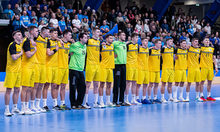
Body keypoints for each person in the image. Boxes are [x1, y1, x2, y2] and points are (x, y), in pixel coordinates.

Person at [4, 30, 23, 116]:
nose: (21, 36)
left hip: (18, 71)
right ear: (14, 37)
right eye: (18, 35)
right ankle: (7, 109)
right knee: (9, 90)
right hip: (11, 71)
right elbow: (14, 57)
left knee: (17, 89)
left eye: (21, 34)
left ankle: (15, 107)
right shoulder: (12, 45)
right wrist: (21, 53)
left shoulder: (20, 45)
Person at [20, 26, 38, 114]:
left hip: (32, 67)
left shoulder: (32, 41)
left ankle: (27, 107)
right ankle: (23, 108)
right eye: (36, 31)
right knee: (25, 88)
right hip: (26, 67)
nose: (37, 32)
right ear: (31, 32)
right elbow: (28, 55)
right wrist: (35, 51)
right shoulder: (26, 41)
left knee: (30, 88)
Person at [43, 29, 61, 111]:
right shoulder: (48, 42)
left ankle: (55, 104)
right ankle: (44, 104)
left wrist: (59, 40)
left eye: (57, 33)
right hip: (49, 66)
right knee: (46, 85)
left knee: (55, 86)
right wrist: (55, 50)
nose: (56, 34)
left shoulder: (57, 41)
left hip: (56, 66)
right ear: (50, 33)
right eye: (54, 33)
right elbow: (49, 53)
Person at [33, 27, 50, 112]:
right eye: (48, 31)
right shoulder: (37, 38)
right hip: (36, 64)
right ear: (43, 31)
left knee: (41, 86)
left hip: (44, 65)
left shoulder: (47, 40)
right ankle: (32, 105)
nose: (49, 33)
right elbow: (28, 35)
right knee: (35, 86)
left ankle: (37, 105)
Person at [69, 33, 88, 109]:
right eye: (85, 37)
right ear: (81, 38)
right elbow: (69, 53)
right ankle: (73, 104)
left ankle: (79, 103)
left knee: (83, 87)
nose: (87, 39)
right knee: (73, 87)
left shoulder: (85, 46)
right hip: (73, 69)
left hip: (81, 70)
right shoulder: (75, 45)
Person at [84, 28, 101, 108]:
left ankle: (95, 102)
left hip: (97, 65)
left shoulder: (99, 42)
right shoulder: (89, 41)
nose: (99, 33)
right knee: (88, 84)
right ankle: (85, 102)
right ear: (93, 33)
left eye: (99, 32)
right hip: (90, 64)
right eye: (97, 32)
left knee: (96, 84)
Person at [98, 34, 116, 107]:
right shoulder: (102, 46)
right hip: (103, 67)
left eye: (112, 38)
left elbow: (114, 55)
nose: (112, 40)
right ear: (107, 39)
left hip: (110, 68)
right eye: (111, 38)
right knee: (102, 84)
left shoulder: (112, 46)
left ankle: (108, 101)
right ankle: (101, 101)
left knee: (109, 85)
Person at [57, 30, 72, 110]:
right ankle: (55, 104)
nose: (71, 36)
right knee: (56, 86)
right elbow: (52, 38)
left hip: (66, 67)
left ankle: (62, 103)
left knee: (63, 86)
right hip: (59, 67)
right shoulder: (58, 42)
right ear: (65, 35)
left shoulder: (69, 44)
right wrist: (59, 39)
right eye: (69, 35)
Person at [199, 37, 218, 101]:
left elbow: (214, 58)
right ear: (203, 42)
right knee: (202, 82)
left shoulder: (212, 48)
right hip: (203, 67)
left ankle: (208, 95)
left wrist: (216, 66)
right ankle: (201, 95)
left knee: (210, 82)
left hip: (210, 68)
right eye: (206, 40)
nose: (207, 41)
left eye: (208, 40)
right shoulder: (200, 48)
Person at [125, 33, 140, 105]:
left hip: (135, 66)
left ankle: (133, 99)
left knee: (134, 83)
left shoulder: (137, 46)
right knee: (128, 83)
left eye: (138, 37)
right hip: (129, 66)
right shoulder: (128, 45)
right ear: (132, 38)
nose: (138, 39)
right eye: (136, 37)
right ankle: (126, 99)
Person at [112, 32, 127, 106]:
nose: (124, 36)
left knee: (123, 83)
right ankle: (114, 101)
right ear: (119, 36)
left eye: (125, 35)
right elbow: (109, 47)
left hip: (124, 65)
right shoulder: (115, 43)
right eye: (123, 35)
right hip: (117, 65)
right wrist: (112, 54)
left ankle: (121, 100)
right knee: (117, 83)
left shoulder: (124, 44)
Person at [136, 37, 150, 104]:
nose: (146, 42)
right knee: (138, 84)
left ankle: (144, 98)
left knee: (145, 84)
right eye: (145, 41)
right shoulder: (139, 48)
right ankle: (136, 98)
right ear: (141, 42)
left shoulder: (147, 49)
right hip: (140, 69)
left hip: (146, 69)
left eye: (147, 41)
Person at [160, 38, 175, 103]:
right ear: (166, 42)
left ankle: (170, 97)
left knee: (170, 84)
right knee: (163, 84)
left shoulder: (172, 49)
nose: (171, 42)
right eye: (170, 41)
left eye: (172, 41)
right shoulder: (163, 48)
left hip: (171, 68)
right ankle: (162, 98)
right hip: (165, 68)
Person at [148, 39, 162, 104]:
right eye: (159, 43)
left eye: (160, 43)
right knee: (151, 84)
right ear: (155, 44)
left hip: (157, 70)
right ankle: (149, 98)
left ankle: (155, 98)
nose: (160, 44)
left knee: (157, 84)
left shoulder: (159, 50)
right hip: (151, 70)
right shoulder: (150, 50)